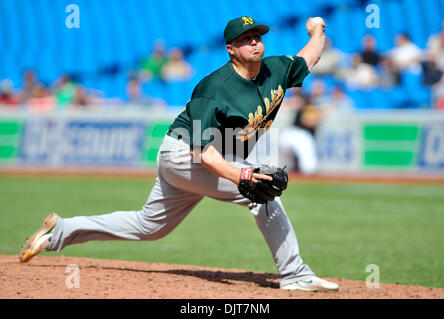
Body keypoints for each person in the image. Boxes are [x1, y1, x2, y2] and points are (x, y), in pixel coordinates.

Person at [19, 16, 338, 291]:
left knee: (149, 226)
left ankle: (59, 232)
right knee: (262, 191)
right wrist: (243, 176)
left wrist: (316, 30)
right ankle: (295, 274)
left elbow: (309, 58)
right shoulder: (214, 89)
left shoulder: (277, 69)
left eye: (257, 36)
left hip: (208, 157)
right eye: (245, 39)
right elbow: (203, 154)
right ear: (231, 49)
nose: (254, 42)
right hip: (184, 154)